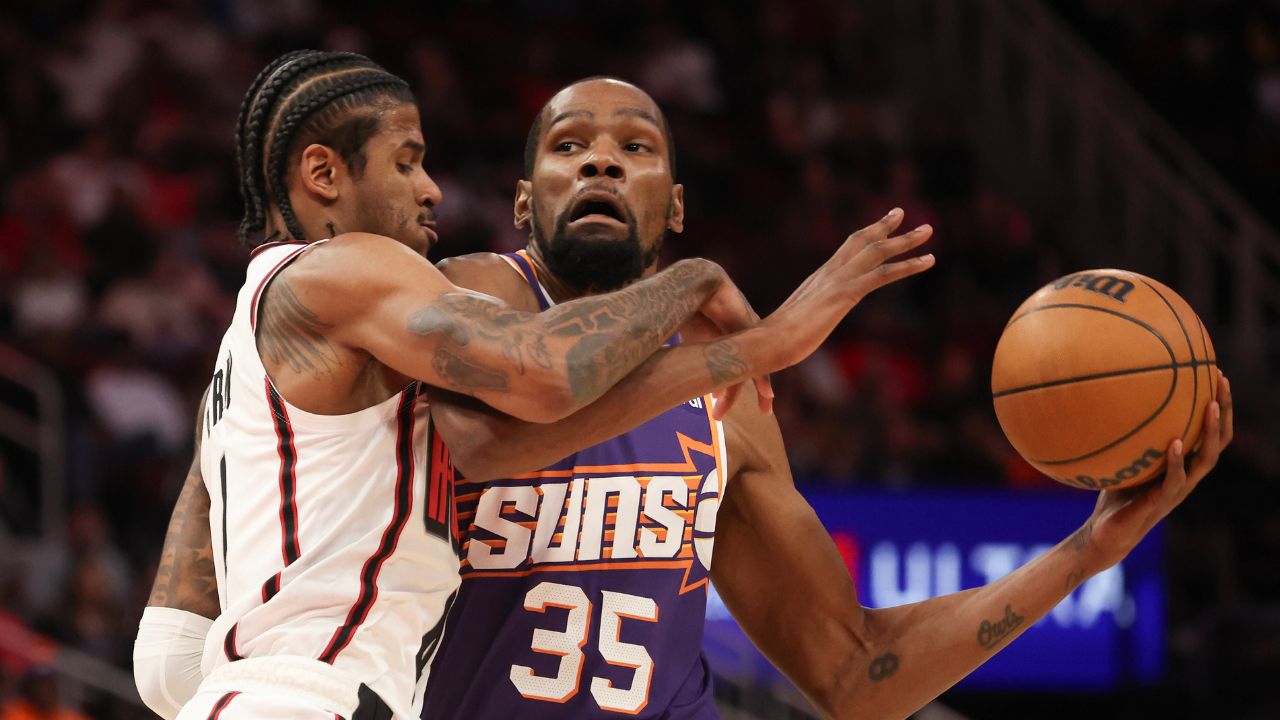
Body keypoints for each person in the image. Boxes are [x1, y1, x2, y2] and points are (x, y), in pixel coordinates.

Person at [132, 53, 935, 720]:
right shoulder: (352, 269)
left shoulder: (244, 353)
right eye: (408, 161)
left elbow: (164, 660)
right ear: (323, 175)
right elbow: (545, 377)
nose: (432, 189)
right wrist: (721, 306)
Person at [416, 78, 1235, 719]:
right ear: (523, 202)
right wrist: (713, 297)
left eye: (636, 146)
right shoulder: (474, 294)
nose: (601, 160)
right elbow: (511, 417)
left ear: (675, 205)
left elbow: (855, 674)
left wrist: (1087, 552)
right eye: (569, 145)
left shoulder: (723, 404)